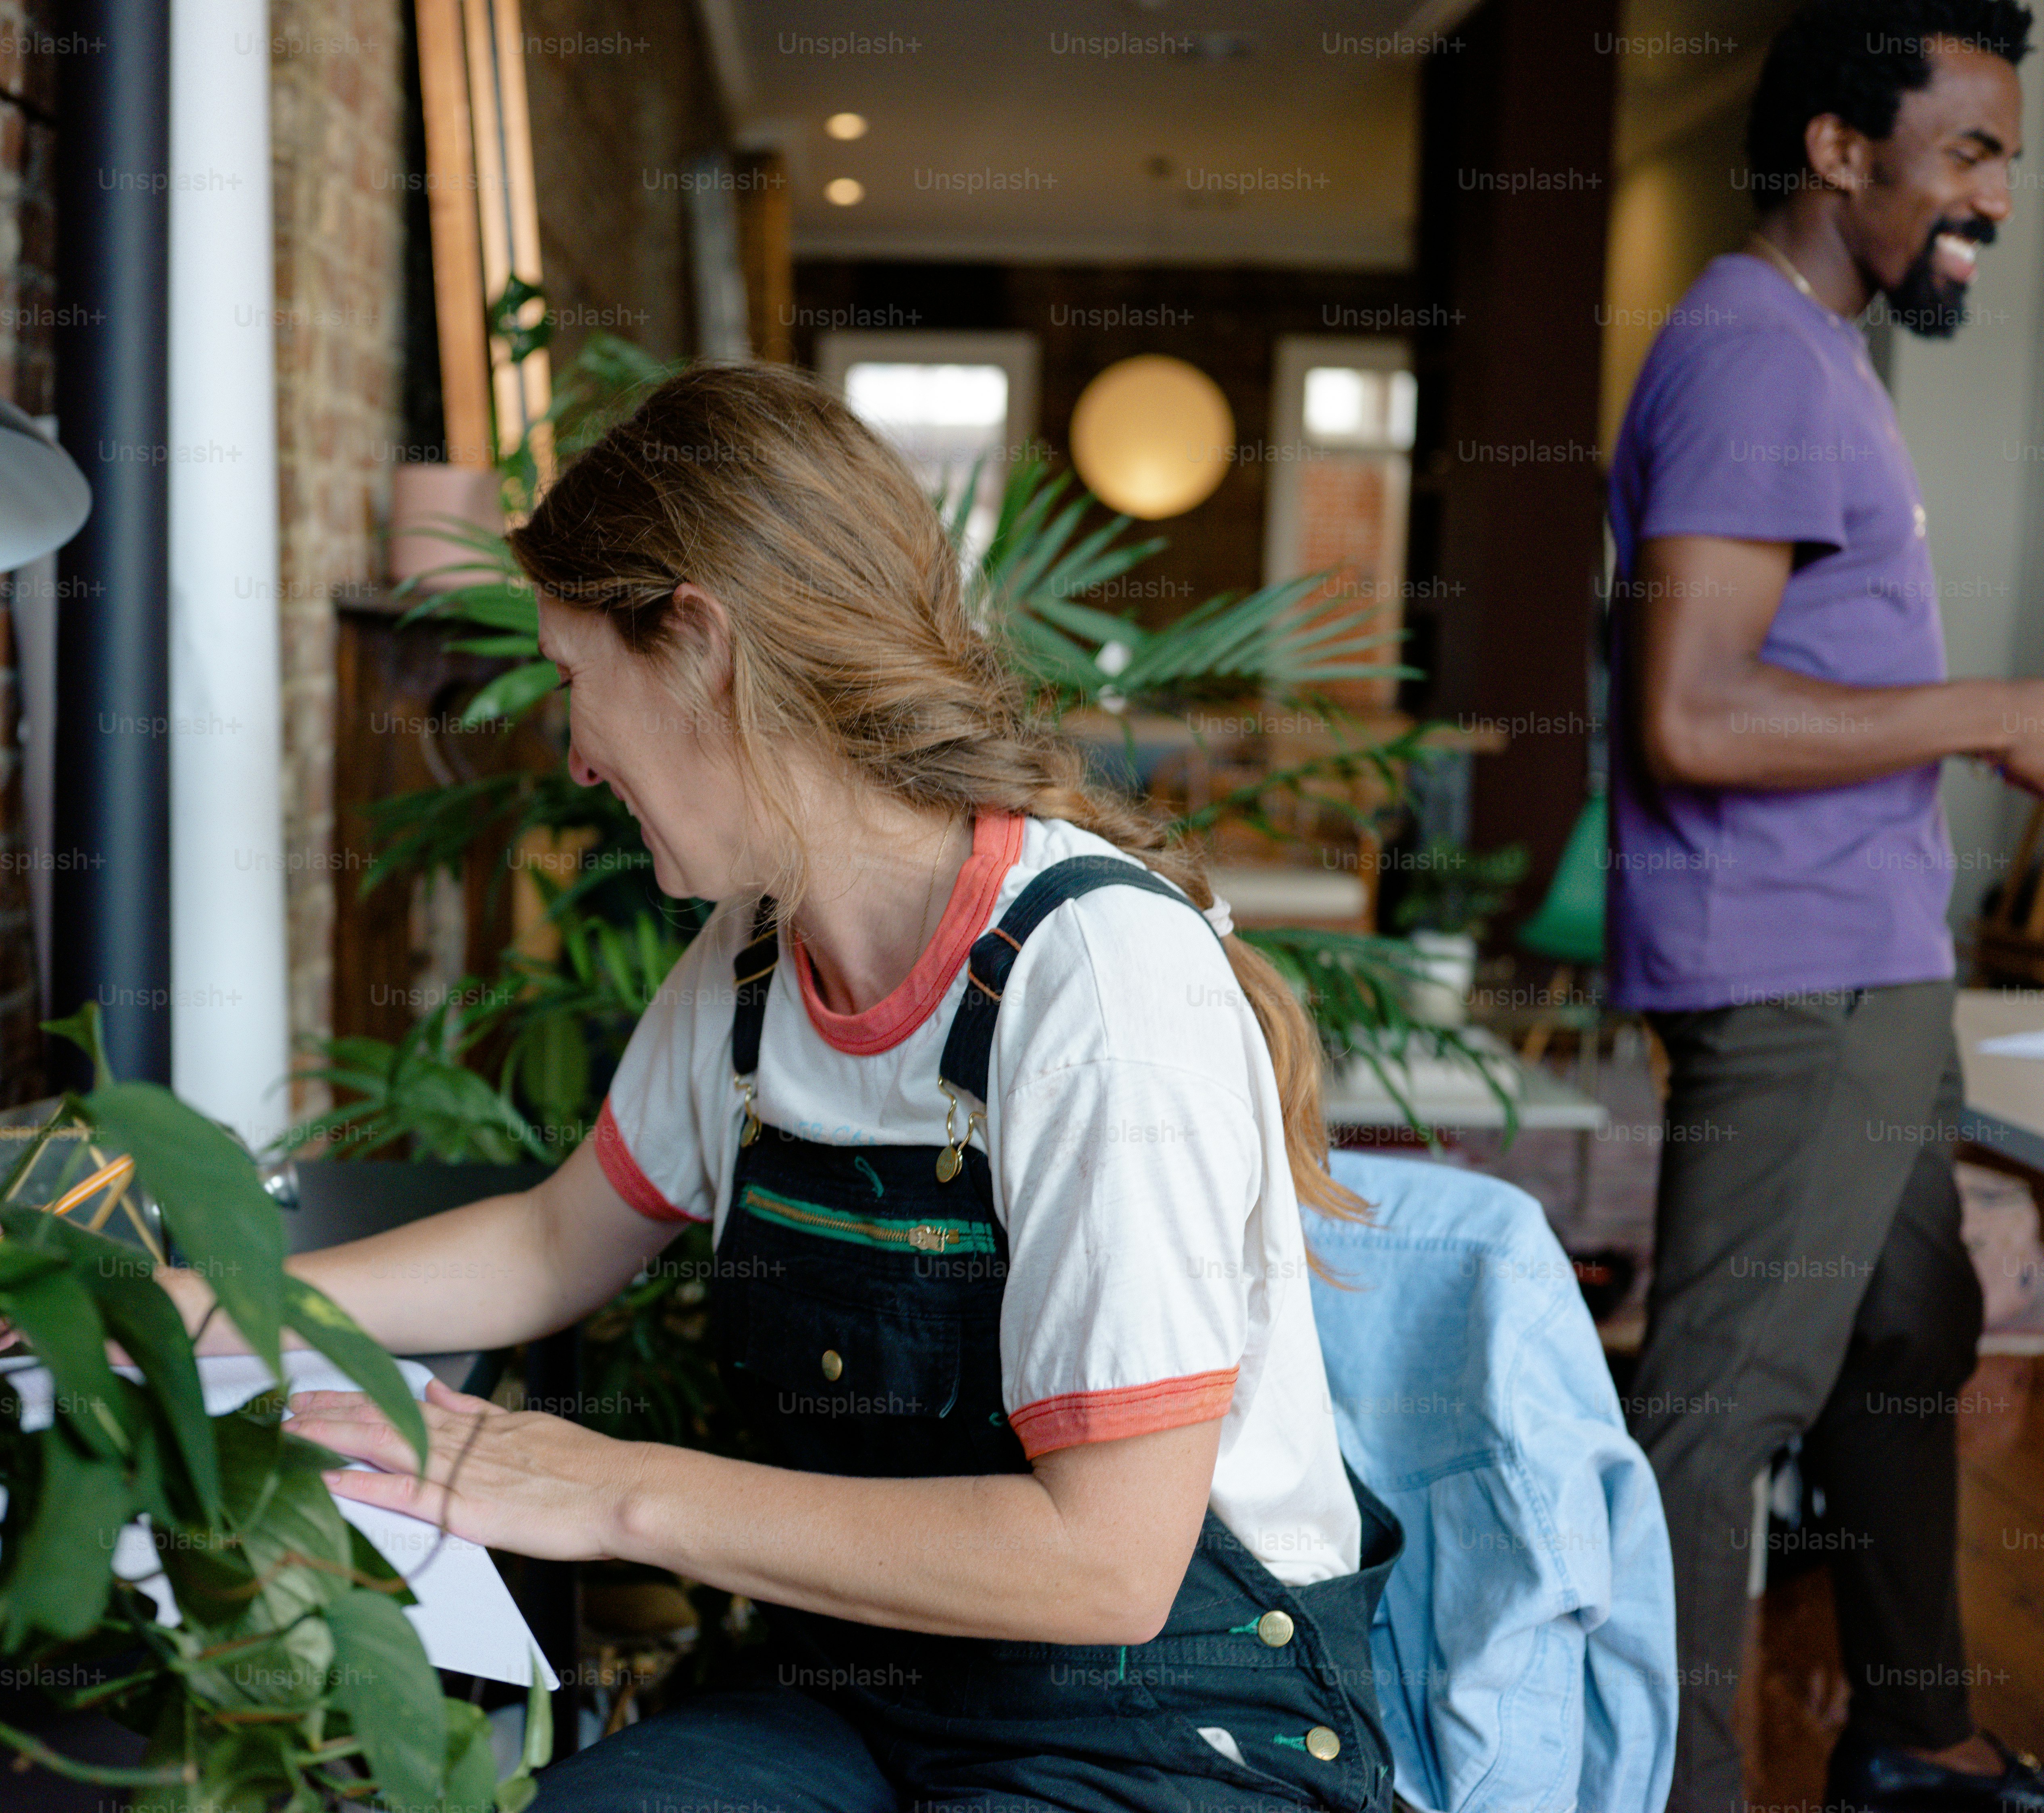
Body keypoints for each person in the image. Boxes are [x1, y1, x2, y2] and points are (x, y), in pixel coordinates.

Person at [192, 364, 1394, 1810]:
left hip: (1171, 1739)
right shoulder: (752, 965)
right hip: (872, 1695)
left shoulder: (1099, 985)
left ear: (698, 646)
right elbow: (547, 1241)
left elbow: (1109, 1562)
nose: (574, 755)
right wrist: (198, 1302)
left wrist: (611, 1487)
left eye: (580, 683)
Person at [1606, 4, 2044, 1808]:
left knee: (1909, 1322)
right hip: (1799, 984)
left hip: (1860, 959)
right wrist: (2004, 716)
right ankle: (1664, 1791)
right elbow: (1693, 713)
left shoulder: (1817, 352)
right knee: (1711, 1427)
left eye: (2007, 158)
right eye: (1967, 152)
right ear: (1840, 153)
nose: (1997, 199)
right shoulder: (1755, 361)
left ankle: (1916, 1736)